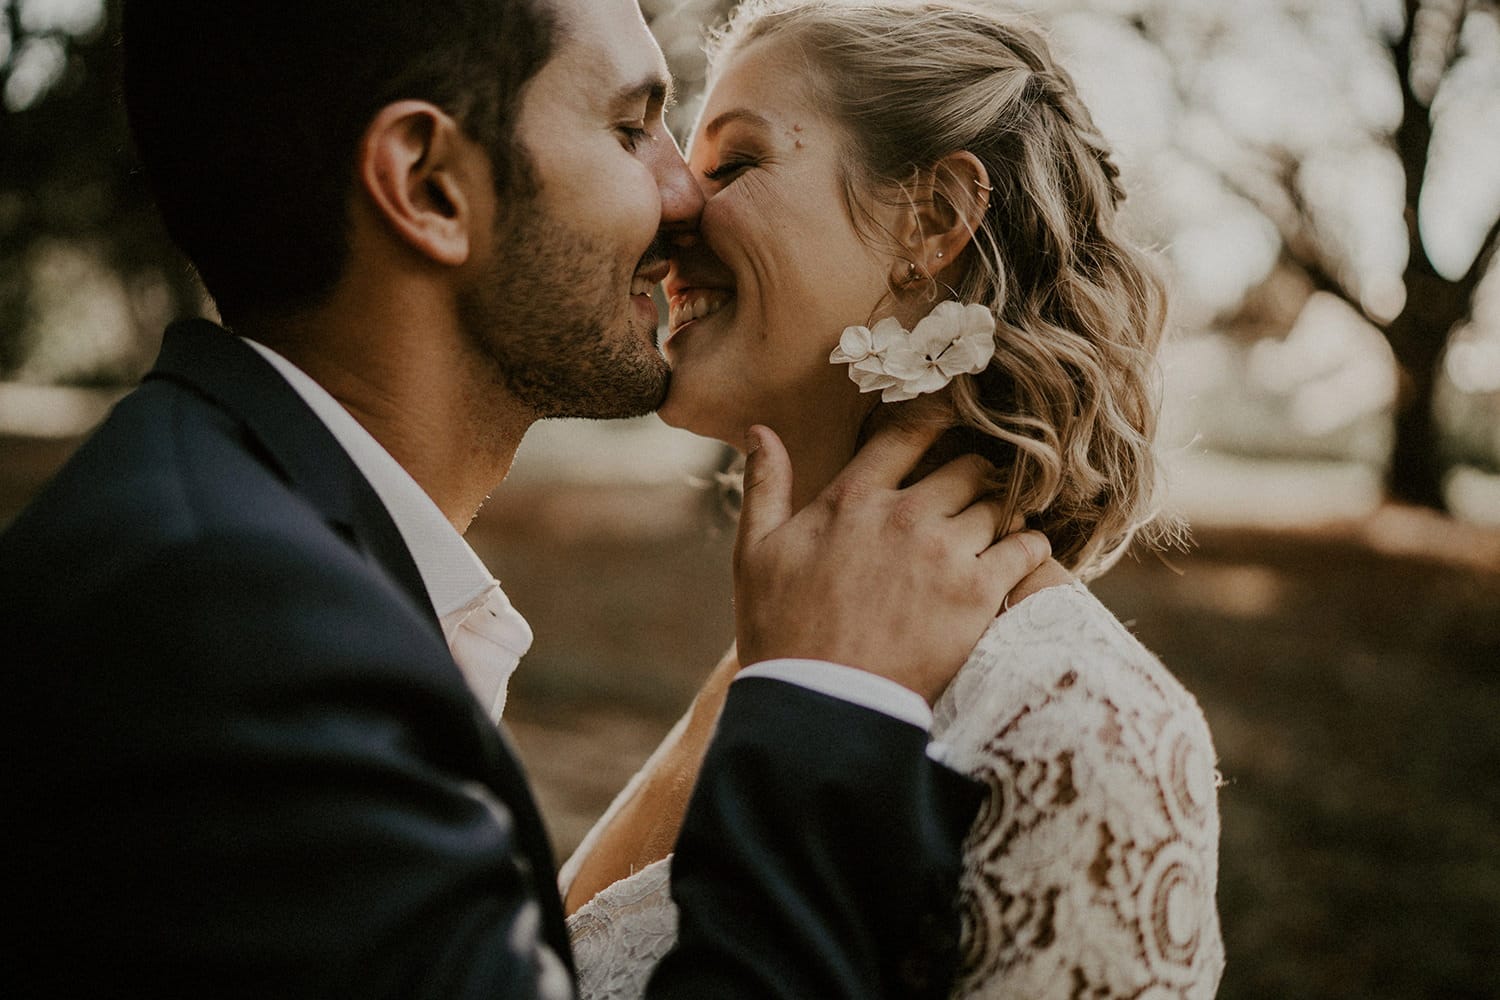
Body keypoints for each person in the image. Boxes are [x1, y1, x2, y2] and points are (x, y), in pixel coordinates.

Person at [0, 0, 1054, 996]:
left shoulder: (241, 534)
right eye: (634, 125)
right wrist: (829, 705)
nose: (686, 195)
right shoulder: (236, 634)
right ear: (429, 186)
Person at [559, 2, 1226, 998]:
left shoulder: (1084, 726)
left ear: (935, 220)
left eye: (732, 163)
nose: (671, 211)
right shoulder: (795, 654)